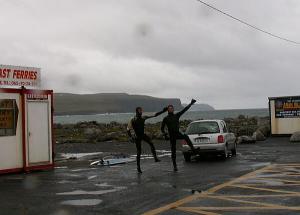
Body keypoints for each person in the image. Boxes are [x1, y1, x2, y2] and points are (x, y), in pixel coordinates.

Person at [127, 106, 168, 173]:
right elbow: (128, 129)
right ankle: (138, 167)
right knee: (139, 152)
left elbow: (155, 115)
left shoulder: (143, 117)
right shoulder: (132, 119)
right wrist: (131, 137)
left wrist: (163, 111)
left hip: (143, 135)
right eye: (140, 110)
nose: (141, 111)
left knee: (151, 143)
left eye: (141, 110)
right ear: (137, 111)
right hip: (137, 136)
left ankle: (155, 158)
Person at [161, 99, 197, 172]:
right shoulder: (165, 118)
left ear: (173, 109)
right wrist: (165, 134)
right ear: (167, 110)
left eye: (172, 108)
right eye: (169, 108)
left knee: (186, 136)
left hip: (178, 134)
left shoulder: (176, 115)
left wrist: (190, 103)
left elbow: (184, 110)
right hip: (172, 136)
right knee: (173, 151)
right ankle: (175, 166)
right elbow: (162, 128)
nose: (171, 109)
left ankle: (193, 150)